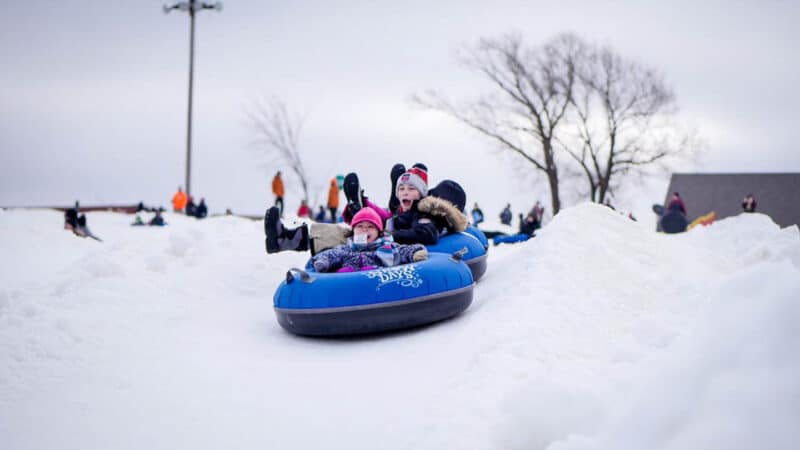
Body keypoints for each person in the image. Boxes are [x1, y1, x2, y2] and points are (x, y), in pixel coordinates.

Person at [265, 165, 467, 256]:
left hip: (388, 245)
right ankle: (284, 237)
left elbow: (426, 234)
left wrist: (390, 235)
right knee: (341, 231)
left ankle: (286, 239)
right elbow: (397, 221)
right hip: (382, 235)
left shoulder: (429, 213)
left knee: (342, 236)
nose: (407, 193)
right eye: (402, 189)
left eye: (411, 190)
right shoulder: (418, 208)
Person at [308, 208, 428, 273]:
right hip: (347, 286)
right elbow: (330, 254)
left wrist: (415, 252)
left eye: (370, 227)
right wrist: (322, 261)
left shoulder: (385, 248)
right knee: (344, 270)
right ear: (353, 231)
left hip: (375, 284)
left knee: (372, 270)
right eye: (360, 227)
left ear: (379, 232)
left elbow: (402, 250)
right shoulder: (346, 249)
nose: (365, 230)